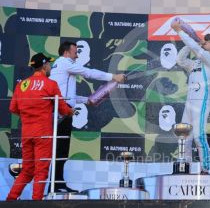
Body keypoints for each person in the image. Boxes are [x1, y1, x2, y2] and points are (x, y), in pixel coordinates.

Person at [49, 41, 125, 192]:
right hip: (62, 113)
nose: (77, 55)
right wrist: (114, 76)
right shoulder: (64, 63)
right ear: (66, 52)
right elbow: (88, 73)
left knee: (61, 150)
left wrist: (86, 101)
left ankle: (57, 184)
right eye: (75, 52)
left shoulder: (62, 66)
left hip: (63, 111)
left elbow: (68, 96)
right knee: (60, 150)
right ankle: (56, 185)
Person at [6, 53, 74, 200]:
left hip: (27, 132)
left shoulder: (22, 85)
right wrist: (71, 112)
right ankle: (37, 202)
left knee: (27, 170)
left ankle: (10, 200)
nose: (50, 67)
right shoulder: (51, 84)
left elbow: (13, 108)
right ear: (44, 65)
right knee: (41, 170)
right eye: (48, 64)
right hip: (43, 133)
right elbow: (63, 109)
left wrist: (28, 115)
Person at [171, 19, 210, 174]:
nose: (205, 42)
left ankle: (205, 169)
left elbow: (197, 50)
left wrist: (181, 32)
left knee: (199, 136)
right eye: (204, 40)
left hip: (201, 104)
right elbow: (180, 60)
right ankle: (185, 166)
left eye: (208, 41)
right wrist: (189, 42)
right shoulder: (197, 64)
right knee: (184, 138)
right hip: (189, 104)